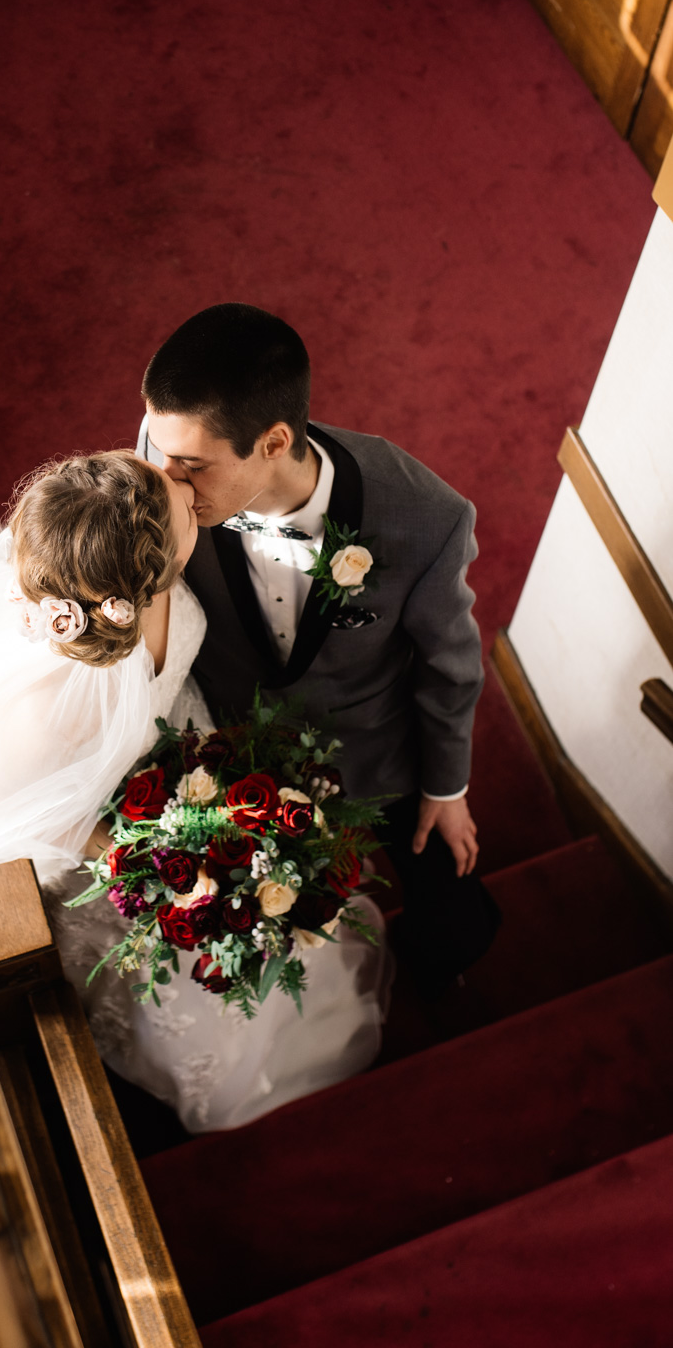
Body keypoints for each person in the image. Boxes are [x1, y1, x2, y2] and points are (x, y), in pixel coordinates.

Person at [0, 448, 390, 1131]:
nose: (187, 489)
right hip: (93, 815)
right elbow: (9, 807)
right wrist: (140, 857)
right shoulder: (58, 703)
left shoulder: (125, 503)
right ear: (147, 579)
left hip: (168, 743)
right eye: (183, 504)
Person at [138, 303, 500, 999]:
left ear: (273, 442)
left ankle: (438, 972)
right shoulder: (172, 460)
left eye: (191, 465)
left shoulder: (425, 517)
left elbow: (450, 668)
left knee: (452, 914)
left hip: (372, 752)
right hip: (231, 752)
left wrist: (447, 789)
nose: (168, 480)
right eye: (161, 451)